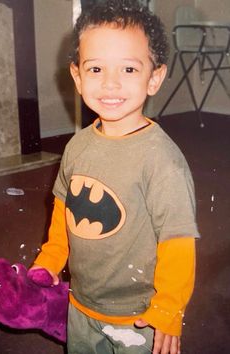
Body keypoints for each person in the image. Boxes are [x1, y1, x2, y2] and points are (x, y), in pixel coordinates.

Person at [31, 1, 200, 353]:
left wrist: (169, 307)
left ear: (153, 78)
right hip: (81, 302)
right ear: (77, 76)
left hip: (138, 316)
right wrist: (50, 260)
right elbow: (65, 210)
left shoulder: (163, 161)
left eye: (128, 69)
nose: (110, 83)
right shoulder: (77, 146)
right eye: (95, 70)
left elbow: (178, 241)